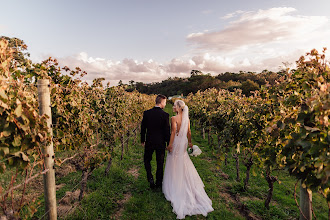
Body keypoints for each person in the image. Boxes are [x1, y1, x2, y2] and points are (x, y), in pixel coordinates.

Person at [163, 100, 214, 219]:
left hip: (176, 142)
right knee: (183, 160)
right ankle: (184, 180)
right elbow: (189, 132)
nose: (173, 107)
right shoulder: (187, 119)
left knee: (173, 161)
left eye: (175, 106)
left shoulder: (173, 118)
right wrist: (190, 142)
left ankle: (175, 182)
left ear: (179, 108)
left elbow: (173, 132)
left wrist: (170, 145)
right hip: (184, 142)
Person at [141, 94, 170, 189]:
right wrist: (168, 143)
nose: (165, 104)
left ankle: (150, 177)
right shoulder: (165, 115)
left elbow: (143, 128)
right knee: (160, 163)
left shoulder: (147, 113)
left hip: (149, 141)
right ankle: (158, 183)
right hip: (160, 142)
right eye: (165, 102)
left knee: (147, 160)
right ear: (161, 102)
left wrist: (142, 140)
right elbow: (166, 131)